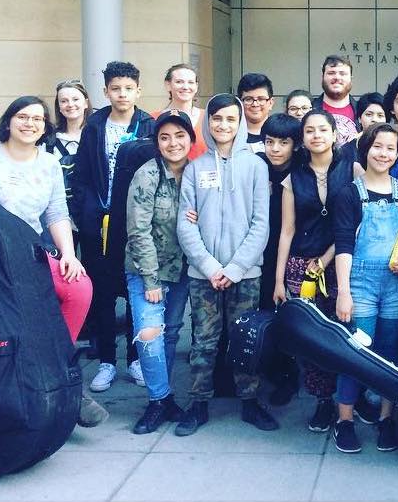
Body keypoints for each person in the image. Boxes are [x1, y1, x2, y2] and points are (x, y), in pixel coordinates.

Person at [0, 96, 103, 427]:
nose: (30, 123)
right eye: (23, 116)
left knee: (78, 288)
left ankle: (59, 365)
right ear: (8, 120)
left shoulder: (48, 163)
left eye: (39, 119)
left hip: (30, 249)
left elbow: (56, 211)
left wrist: (69, 255)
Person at [175, 94, 276, 436]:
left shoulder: (256, 167)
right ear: (208, 122)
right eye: (217, 119)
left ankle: (250, 400)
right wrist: (209, 266)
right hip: (203, 274)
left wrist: (233, 269)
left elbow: (261, 224)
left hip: (245, 273)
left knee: (244, 338)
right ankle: (199, 403)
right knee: (204, 339)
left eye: (231, 119)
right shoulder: (194, 168)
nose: (223, 125)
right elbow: (185, 223)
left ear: (240, 122)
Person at [332, 123, 398, 454]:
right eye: (378, 147)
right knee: (357, 353)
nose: (384, 153)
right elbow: (343, 245)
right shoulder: (349, 193)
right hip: (360, 284)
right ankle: (345, 421)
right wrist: (343, 291)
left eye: (391, 148)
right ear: (365, 150)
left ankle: (386, 418)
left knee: (391, 353)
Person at [70, 61, 153, 393]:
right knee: (102, 295)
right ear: (105, 91)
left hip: (134, 224)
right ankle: (106, 360)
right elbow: (82, 174)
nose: (122, 94)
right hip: (98, 224)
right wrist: (85, 211)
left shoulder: (148, 124)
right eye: (115, 88)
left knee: (135, 292)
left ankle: (135, 359)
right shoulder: (95, 125)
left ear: (138, 90)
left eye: (128, 88)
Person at [274, 109, 354, 433]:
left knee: (344, 334)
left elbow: (353, 225)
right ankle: (323, 401)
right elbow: (287, 231)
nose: (317, 135)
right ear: (303, 139)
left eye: (323, 129)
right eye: (310, 131)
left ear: (335, 135)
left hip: (342, 264)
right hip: (301, 266)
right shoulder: (293, 178)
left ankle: (348, 398)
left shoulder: (353, 170)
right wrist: (279, 279)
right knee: (313, 340)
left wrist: (328, 257)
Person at [124, 110, 195, 435]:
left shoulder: (197, 174)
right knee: (149, 334)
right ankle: (158, 400)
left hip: (182, 269)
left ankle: (163, 398)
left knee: (170, 333)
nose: (173, 143)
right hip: (147, 270)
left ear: (191, 140)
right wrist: (151, 280)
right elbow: (138, 232)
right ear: (157, 142)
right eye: (165, 137)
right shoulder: (147, 175)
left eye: (180, 136)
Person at [258, 113, 303, 406]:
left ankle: (288, 376)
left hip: (291, 252)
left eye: (283, 143)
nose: (275, 149)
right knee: (263, 312)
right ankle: (266, 369)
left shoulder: (301, 173)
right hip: (259, 252)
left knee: (288, 316)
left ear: (295, 145)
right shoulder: (257, 167)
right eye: (269, 142)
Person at [46, 79, 93, 231]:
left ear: (86, 103)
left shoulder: (98, 135)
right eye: (64, 101)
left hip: (91, 214)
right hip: (57, 215)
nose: (70, 104)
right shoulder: (48, 140)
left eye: (75, 99)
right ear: (58, 107)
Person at [155, 64, 206, 160]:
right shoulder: (153, 119)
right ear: (168, 85)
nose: (186, 87)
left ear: (196, 86)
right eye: (179, 82)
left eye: (191, 82)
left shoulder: (208, 117)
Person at [315, 55, 359, 145]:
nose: (337, 78)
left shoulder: (363, 111)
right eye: (331, 73)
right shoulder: (309, 109)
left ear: (351, 78)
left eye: (342, 73)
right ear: (322, 77)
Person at [337, 91, 386, 168]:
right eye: (369, 114)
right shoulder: (346, 151)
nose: (374, 119)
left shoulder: (393, 146)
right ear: (359, 118)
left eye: (380, 115)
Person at [237, 72, 275, 153]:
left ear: (271, 103)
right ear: (240, 103)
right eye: (248, 99)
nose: (255, 104)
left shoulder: (280, 133)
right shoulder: (232, 135)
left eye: (261, 99)